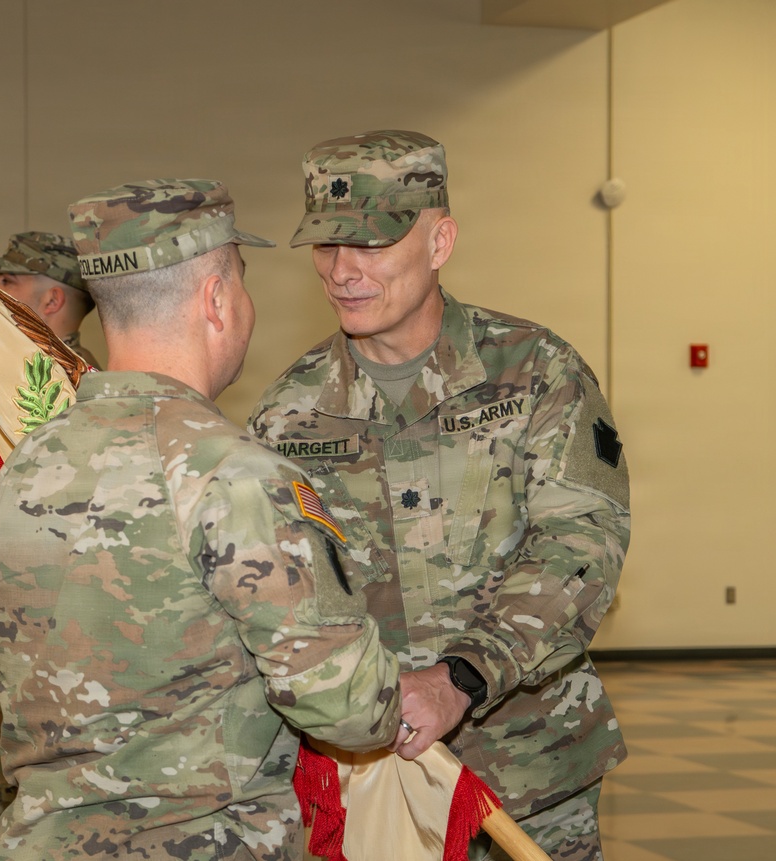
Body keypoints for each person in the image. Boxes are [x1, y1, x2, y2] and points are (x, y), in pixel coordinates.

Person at [0, 179, 403, 861]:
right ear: (216, 300)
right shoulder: (235, 476)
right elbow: (349, 708)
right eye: (241, 281)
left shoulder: (27, 461)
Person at [250, 131, 631, 861]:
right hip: (374, 786)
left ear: (439, 240)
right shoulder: (286, 414)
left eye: (371, 242)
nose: (342, 270)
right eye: (326, 245)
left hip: (525, 777)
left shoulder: (536, 373)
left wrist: (461, 675)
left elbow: (582, 546)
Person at [0, 231, 100, 823]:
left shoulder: (68, 389)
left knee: (32, 786)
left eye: (9, 282)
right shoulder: (14, 377)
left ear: (52, 301)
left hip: (33, 630)